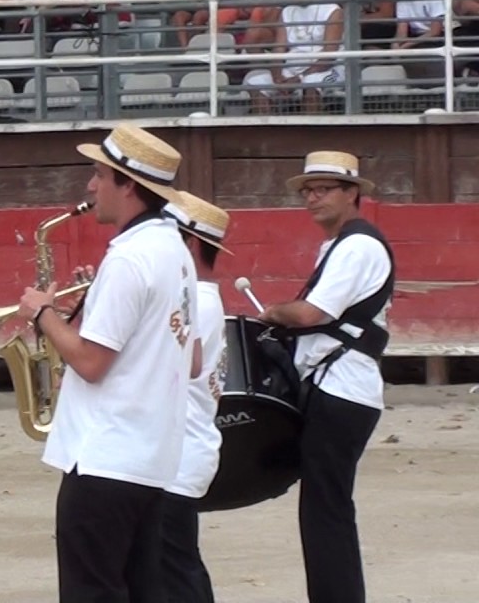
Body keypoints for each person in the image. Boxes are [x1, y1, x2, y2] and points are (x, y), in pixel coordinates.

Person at [17, 123, 200, 602]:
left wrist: (43, 314)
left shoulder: (130, 257)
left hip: (105, 459)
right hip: (149, 458)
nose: (91, 186)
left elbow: (92, 362)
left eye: (100, 175)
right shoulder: (175, 251)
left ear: (130, 187)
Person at [260, 151, 393, 603]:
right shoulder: (342, 245)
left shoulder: (357, 245)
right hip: (336, 386)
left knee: (326, 511)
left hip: (342, 389)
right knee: (325, 509)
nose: (311, 198)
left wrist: (273, 312)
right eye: (307, 191)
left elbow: (314, 313)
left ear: (352, 193)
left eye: (323, 189)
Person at [158, 190, 230, 603]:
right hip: (185, 452)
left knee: (177, 573)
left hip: (179, 456)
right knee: (177, 568)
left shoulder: (195, 301)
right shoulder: (203, 298)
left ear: (188, 244)